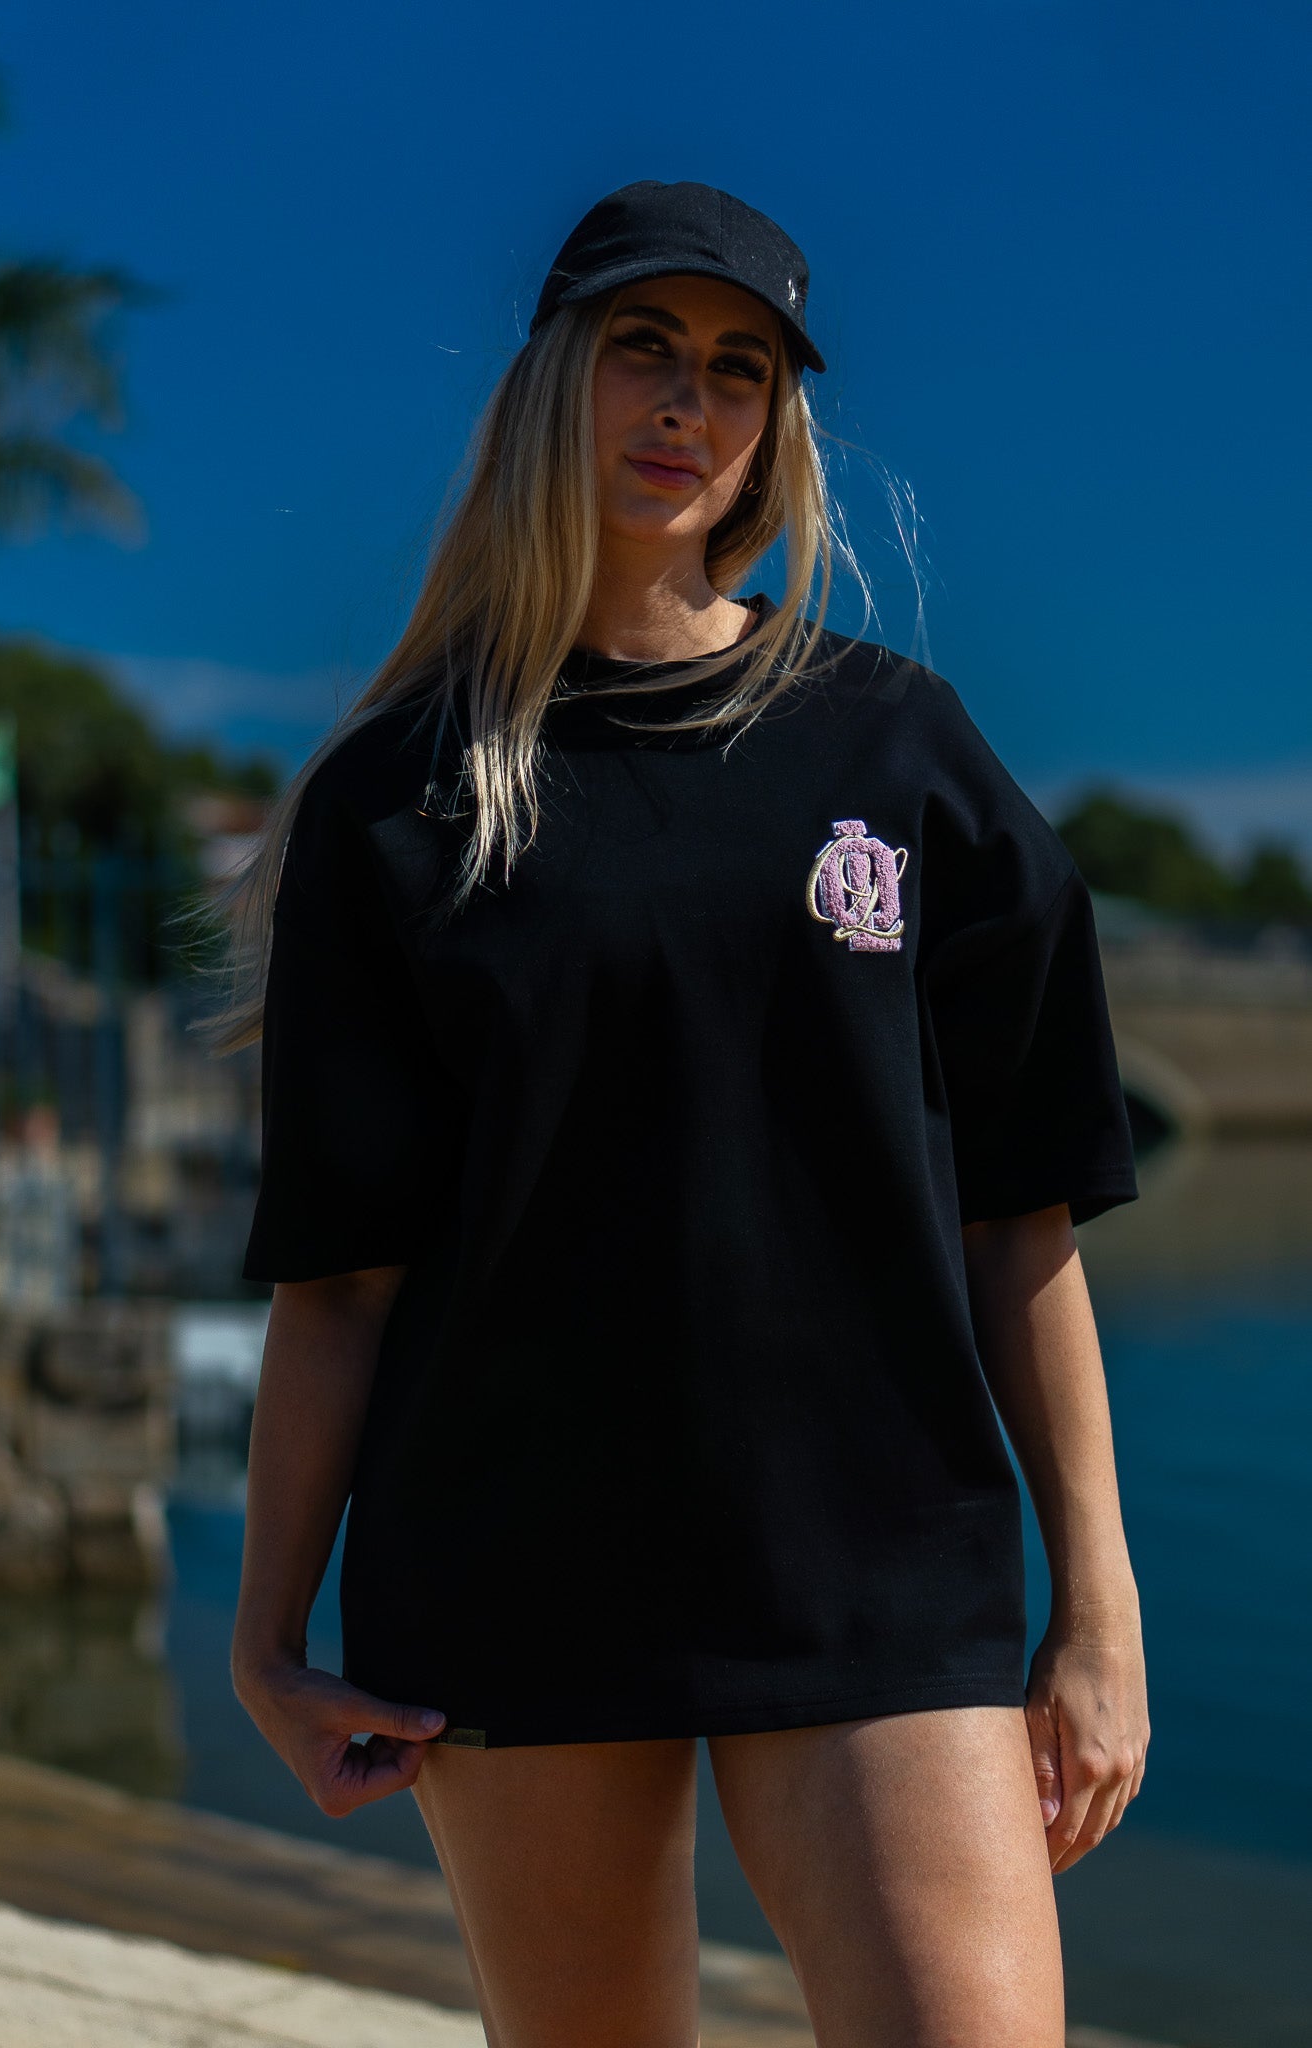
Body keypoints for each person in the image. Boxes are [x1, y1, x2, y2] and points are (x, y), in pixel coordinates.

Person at [218, 179, 1150, 2048]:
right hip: (514, 1565)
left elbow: (1020, 1215)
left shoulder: (898, 749)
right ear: (551, 380)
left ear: (773, 425)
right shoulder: (401, 799)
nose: (685, 401)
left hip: (876, 1554)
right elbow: (342, 1280)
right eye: (643, 347)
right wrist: (264, 1642)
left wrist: (1095, 1610)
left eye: (737, 370)